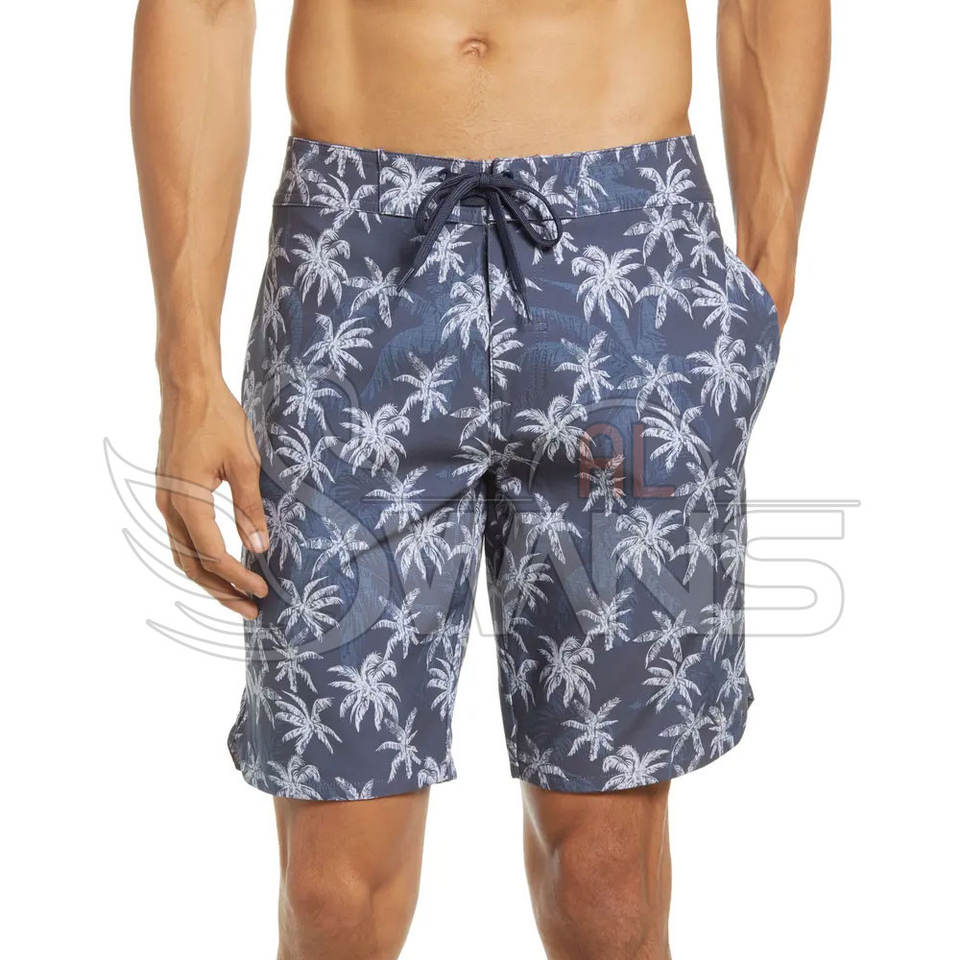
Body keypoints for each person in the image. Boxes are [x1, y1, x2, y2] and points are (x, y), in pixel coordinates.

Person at [131, 1, 829, 957]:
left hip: (625, 255)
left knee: (605, 882)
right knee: (332, 891)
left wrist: (764, 277)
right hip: (353, 261)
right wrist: (187, 373)